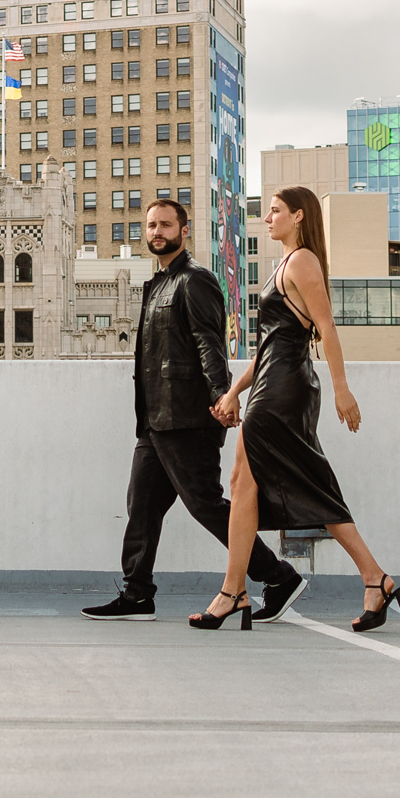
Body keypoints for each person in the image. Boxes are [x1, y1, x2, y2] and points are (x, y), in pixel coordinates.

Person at [195, 186, 400, 632]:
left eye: (274, 211)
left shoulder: (303, 261)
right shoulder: (283, 265)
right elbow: (270, 346)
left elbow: (326, 325)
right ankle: (373, 579)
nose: (267, 218)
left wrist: (342, 389)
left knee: (278, 484)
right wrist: (233, 391)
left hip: (286, 388)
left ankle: (234, 592)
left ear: (298, 216)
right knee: (250, 483)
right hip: (272, 384)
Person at [82, 197, 307, 623]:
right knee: (142, 504)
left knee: (205, 503)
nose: (156, 232)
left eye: (165, 225)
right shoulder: (158, 283)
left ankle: (278, 577)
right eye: (150, 226)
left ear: (184, 231)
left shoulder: (194, 280)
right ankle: (137, 595)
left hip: (188, 417)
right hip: (154, 419)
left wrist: (224, 394)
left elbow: (210, 343)